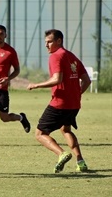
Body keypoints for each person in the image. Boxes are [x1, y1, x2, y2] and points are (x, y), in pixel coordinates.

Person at [27, 29, 91, 173]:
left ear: (59, 41)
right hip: (74, 104)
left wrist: (36, 85)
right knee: (65, 129)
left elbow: (57, 79)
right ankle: (80, 162)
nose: (46, 45)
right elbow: (86, 80)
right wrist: (76, 93)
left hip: (60, 104)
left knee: (40, 134)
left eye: (49, 42)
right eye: (45, 42)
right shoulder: (71, 56)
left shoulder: (56, 56)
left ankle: (61, 153)